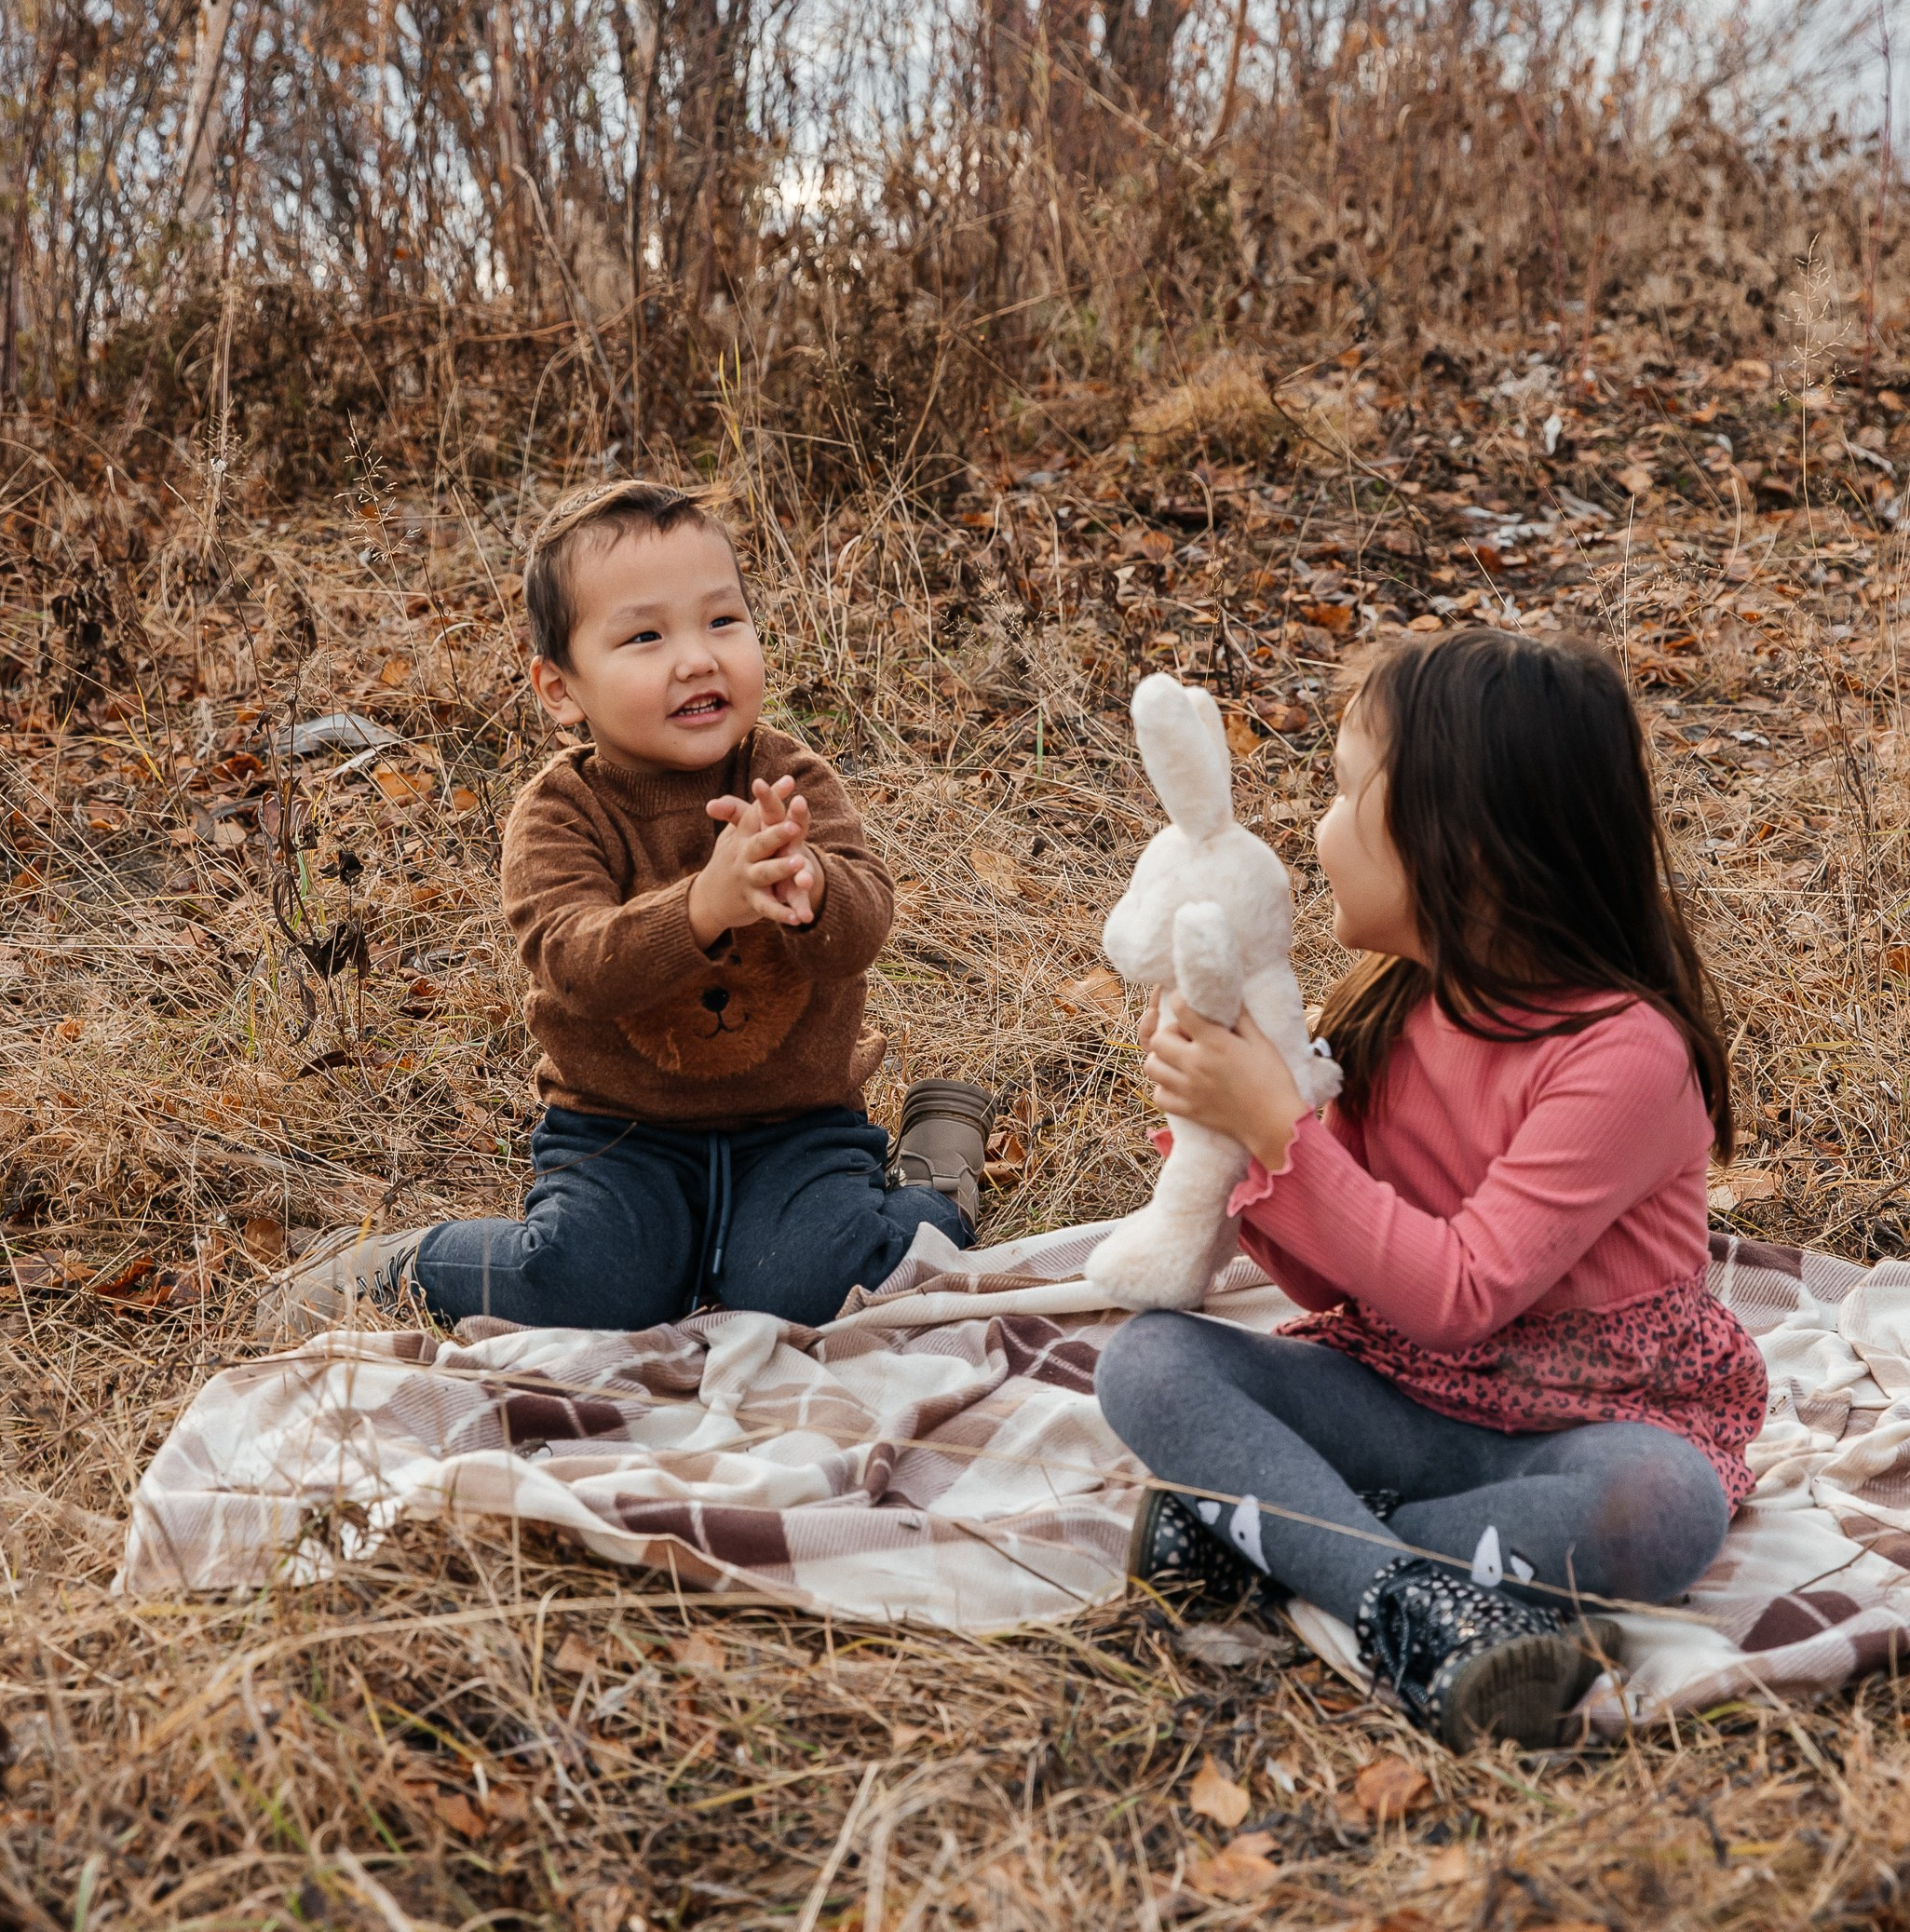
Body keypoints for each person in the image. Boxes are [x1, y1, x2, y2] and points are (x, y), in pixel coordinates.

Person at [1096, 623, 1766, 1753]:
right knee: (1148, 1361)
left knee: (1662, 1507)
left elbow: (1459, 1290)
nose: (1315, 826)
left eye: (1347, 788)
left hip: (1583, 1428)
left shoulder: (1621, 1054)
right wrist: (1234, 1138)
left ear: (1463, 844)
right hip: (1402, 1397)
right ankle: (1406, 1596)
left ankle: (1295, 1544)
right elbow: (1333, 1269)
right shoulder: (1393, 1004)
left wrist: (1277, 1125)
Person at [266, 480, 991, 1335]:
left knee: (811, 1291)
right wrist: (704, 905)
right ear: (560, 688)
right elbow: (574, 963)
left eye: (722, 621)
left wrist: (817, 892)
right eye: (646, 636)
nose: (696, 659)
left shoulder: (786, 774)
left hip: (798, 1123)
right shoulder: (561, 812)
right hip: (618, 1131)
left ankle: (935, 1180)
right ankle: (393, 1268)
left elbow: (865, 927)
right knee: (593, 1289)